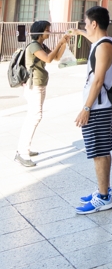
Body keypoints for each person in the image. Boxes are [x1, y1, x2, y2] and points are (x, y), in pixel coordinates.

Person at [72, 6, 112, 213]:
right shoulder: (103, 43)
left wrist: (86, 108)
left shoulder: (104, 46)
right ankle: (103, 191)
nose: (84, 26)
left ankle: (104, 197)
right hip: (99, 105)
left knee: (98, 153)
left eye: (85, 23)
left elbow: (98, 80)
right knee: (102, 150)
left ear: (94, 24)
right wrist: (78, 33)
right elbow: (94, 42)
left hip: (97, 107)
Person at [14, 21, 70, 168]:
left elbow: (56, 57)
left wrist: (63, 43)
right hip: (34, 86)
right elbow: (48, 59)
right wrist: (59, 42)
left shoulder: (40, 46)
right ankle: (22, 153)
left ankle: (23, 148)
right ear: (39, 31)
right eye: (47, 30)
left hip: (40, 84)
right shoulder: (33, 46)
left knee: (32, 116)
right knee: (35, 116)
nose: (49, 32)